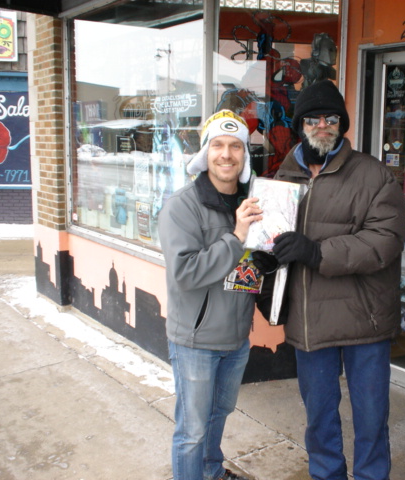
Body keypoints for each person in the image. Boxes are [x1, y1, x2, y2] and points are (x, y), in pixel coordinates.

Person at [257, 80, 405, 479]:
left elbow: (385, 240)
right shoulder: (283, 177)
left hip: (364, 319)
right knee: (319, 418)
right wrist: (263, 258)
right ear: (300, 125)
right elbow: (270, 239)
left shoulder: (374, 175)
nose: (322, 126)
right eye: (312, 119)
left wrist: (317, 252)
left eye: (330, 118)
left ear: (342, 124)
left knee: (371, 419)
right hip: (309, 321)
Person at [158, 109, 262, 480]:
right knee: (192, 431)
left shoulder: (252, 203)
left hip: (236, 338)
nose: (226, 154)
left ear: (244, 155)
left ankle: (211, 471)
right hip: (196, 341)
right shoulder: (181, 206)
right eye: (218, 145)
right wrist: (236, 237)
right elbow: (186, 273)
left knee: (219, 415)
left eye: (236, 146)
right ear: (205, 153)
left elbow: (254, 265)